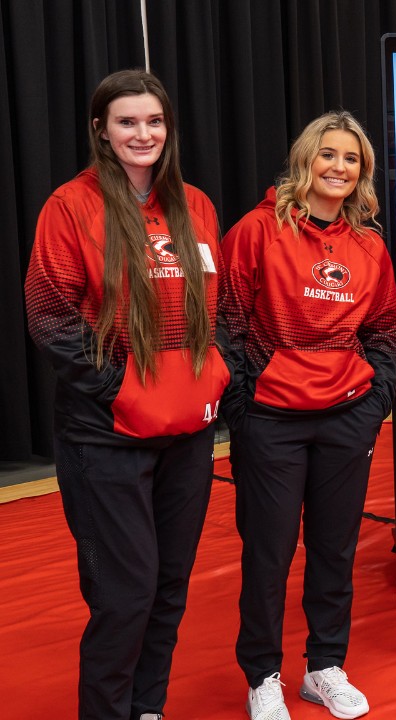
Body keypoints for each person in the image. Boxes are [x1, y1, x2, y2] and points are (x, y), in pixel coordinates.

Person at [24, 68, 228, 720]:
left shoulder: (194, 205)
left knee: (169, 586)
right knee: (125, 592)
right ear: (100, 131)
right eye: (127, 122)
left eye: (155, 121)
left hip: (187, 434)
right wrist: (123, 389)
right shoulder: (71, 206)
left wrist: (213, 374)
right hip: (105, 435)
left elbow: (215, 308)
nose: (144, 133)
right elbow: (51, 316)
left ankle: (147, 707)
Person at [221, 111, 396, 720]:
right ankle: (262, 676)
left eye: (351, 159)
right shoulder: (255, 230)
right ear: (304, 160)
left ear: (363, 172)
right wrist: (243, 407)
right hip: (271, 418)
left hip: (346, 415)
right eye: (328, 155)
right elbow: (226, 321)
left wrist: (375, 402)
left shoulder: (370, 244)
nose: (339, 168)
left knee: (335, 549)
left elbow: (383, 332)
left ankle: (323, 666)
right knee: (268, 554)